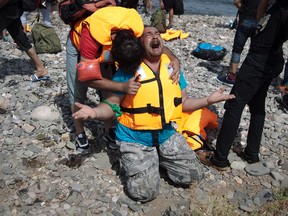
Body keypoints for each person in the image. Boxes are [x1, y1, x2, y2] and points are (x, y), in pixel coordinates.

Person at [73, 26, 235, 202]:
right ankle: (140, 160)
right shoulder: (128, 71)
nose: (154, 36)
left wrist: (208, 100)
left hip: (165, 134)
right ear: (141, 44)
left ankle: (158, 158)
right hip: (135, 138)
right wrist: (94, 112)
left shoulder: (172, 67)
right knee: (144, 193)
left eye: (157, 33)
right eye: (148, 34)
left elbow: (183, 104)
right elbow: (111, 106)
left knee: (194, 177)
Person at [66, 6, 180, 153]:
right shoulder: (91, 38)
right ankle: (80, 133)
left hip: (109, 42)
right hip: (78, 44)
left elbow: (154, 43)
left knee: (109, 88)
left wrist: (174, 59)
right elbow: (86, 78)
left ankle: (109, 131)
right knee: (77, 91)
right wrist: (122, 87)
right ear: (112, 52)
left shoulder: (136, 29)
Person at [200, 0, 288, 170]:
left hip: (260, 60)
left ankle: (219, 158)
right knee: (257, 104)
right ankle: (251, 153)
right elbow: (261, 18)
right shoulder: (280, 6)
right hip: (272, 59)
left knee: (234, 104)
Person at [0, 0, 49, 81]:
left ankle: (41, 68)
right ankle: (41, 68)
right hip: (14, 11)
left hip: (7, 11)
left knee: (21, 39)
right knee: (22, 40)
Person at [216, 0, 261, 86]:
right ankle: (251, 75)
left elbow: (236, 2)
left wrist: (244, 8)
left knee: (237, 49)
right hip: (259, 21)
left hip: (245, 18)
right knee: (254, 50)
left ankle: (231, 76)